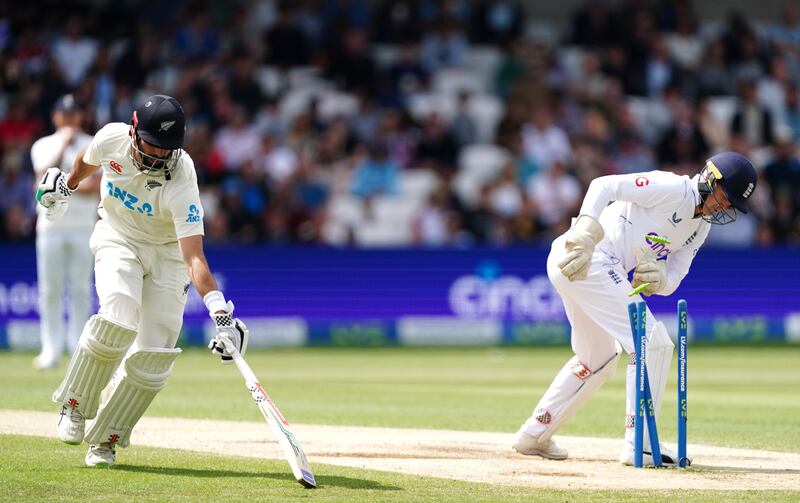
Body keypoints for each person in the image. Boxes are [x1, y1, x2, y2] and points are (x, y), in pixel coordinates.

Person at [34, 94, 249, 467]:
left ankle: (106, 439)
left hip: (167, 254)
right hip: (117, 235)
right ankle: (75, 406)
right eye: (152, 145)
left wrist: (221, 315)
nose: (159, 157)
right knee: (117, 315)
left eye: (168, 149)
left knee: (154, 356)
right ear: (134, 132)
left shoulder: (182, 174)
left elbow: (193, 257)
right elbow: (85, 162)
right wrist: (66, 187)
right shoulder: (111, 138)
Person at [511, 152, 757, 466]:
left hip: (590, 268)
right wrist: (585, 233)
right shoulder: (673, 188)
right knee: (652, 343)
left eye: (733, 204)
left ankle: (533, 434)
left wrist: (659, 279)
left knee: (598, 358)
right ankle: (638, 442)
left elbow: (674, 278)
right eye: (727, 196)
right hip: (584, 256)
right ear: (711, 178)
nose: (725, 206)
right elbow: (604, 185)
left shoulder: (700, 229)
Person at [30, 95, 97, 369]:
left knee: (81, 289)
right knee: (50, 290)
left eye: (73, 113)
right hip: (50, 227)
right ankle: (51, 349)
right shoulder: (43, 145)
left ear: (80, 115)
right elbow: (40, 183)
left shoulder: (93, 143)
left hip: (83, 227)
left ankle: (79, 348)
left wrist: (62, 188)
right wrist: (63, 146)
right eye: (64, 113)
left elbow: (97, 186)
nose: (69, 118)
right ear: (56, 116)